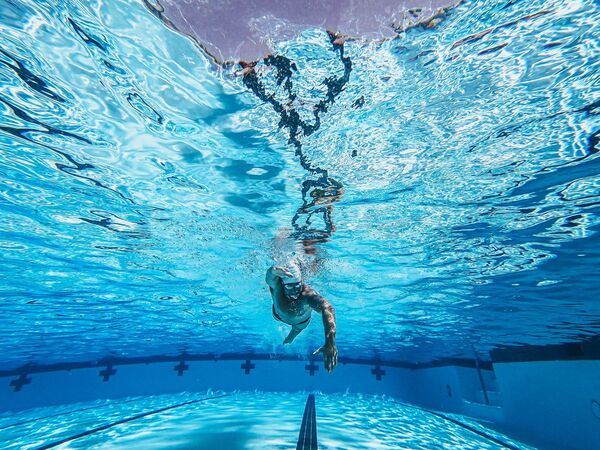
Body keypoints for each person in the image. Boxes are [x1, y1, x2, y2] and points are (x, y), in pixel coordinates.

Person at [265, 261, 338, 372]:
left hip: (300, 322)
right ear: (283, 285)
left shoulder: (308, 295)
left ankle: (292, 336)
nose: (294, 291)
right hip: (278, 315)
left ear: (302, 282)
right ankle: (291, 336)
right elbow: (269, 278)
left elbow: (328, 309)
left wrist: (330, 343)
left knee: (297, 329)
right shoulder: (277, 286)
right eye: (290, 286)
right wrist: (273, 270)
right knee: (292, 326)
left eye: (297, 286)